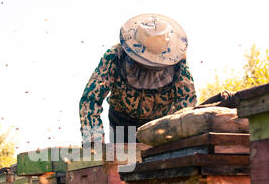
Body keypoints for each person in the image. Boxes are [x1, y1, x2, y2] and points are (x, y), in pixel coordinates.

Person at [79, 13, 197, 144]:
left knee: (161, 162)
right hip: (122, 123)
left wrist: (182, 141)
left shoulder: (178, 67)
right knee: (124, 162)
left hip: (159, 126)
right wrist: (93, 140)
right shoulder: (115, 57)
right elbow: (91, 99)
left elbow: (186, 105)